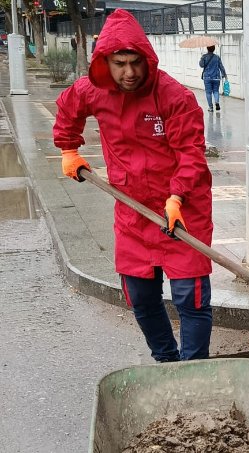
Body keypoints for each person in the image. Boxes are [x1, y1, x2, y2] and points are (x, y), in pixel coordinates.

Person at [53, 9, 214, 363]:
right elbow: (68, 108)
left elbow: (191, 154)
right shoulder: (93, 91)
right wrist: (68, 148)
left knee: (191, 296)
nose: (129, 72)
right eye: (119, 63)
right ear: (105, 63)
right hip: (132, 210)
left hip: (183, 207)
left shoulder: (174, 96)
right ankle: (166, 361)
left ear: (147, 59)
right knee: (140, 295)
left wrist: (176, 197)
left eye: (136, 62)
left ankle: (193, 371)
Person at [199, 45, 227, 112]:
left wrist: (202, 58)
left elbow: (201, 65)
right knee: (216, 91)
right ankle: (217, 102)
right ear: (214, 49)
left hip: (207, 78)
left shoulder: (204, 56)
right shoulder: (217, 57)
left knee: (208, 93)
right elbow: (221, 67)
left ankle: (211, 108)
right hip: (216, 77)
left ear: (207, 48)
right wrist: (224, 75)